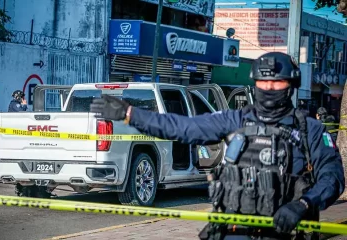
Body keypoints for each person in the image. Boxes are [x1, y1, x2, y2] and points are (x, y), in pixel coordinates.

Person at [89, 52, 345, 240]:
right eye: (262, 83)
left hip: (286, 232)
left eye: (277, 83)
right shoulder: (234, 120)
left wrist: (303, 205)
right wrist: (130, 114)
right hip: (234, 230)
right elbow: (180, 127)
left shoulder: (310, 130)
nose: (268, 88)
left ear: (291, 85)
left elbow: (332, 178)